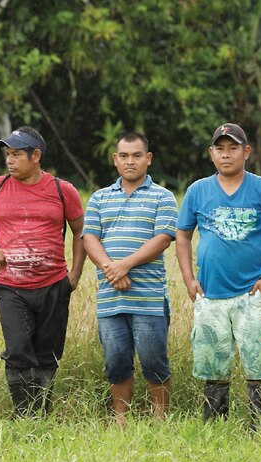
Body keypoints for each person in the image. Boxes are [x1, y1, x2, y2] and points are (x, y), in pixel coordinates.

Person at [0, 126, 85, 417]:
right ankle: (23, 413)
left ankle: (40, 413)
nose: (10, 160)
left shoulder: (61, 190)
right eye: (8, 154)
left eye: (16, 154)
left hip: (54, 283)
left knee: (48, 352)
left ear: (36, 155)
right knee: (17, 348)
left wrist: (75, 275)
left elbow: (82, 231)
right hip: (11, 286)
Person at [176, 123, 261, 427]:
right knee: (212, 363)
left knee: (259, 361)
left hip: (251, 294)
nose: (226, 155)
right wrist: (188, 279)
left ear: (246, 152)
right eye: (220, 149)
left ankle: (258, 426)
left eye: (233, 148)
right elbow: (183, 235)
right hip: (210, 294)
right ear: (211, 153)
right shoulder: (198, 190)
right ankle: (215, 424)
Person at [82, 132, 177, 426]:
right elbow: (89, 238)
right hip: (111, 297)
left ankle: (159, 417)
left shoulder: (163, 196)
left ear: (148, 159)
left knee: (153, 360)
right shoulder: (99, 197)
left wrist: (125, 265)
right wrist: (111, 268)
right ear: (115, 160)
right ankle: (120, 418)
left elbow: (162, 238)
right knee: (116, 361)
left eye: (137, 155)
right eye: (124, 156)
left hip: (147, 297)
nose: (130, 161)